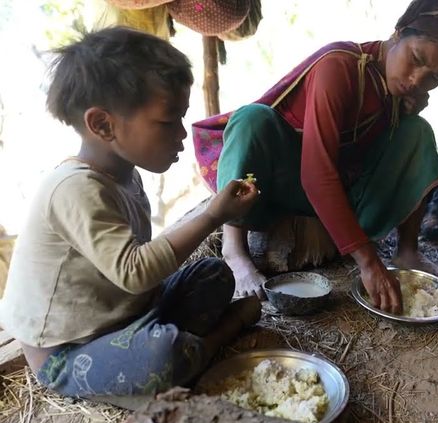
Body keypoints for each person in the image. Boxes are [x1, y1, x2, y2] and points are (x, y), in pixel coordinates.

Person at [0, 27, 261, 401]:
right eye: (168, 120)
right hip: (67, 352)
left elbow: (138, 277)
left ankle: (173, 343)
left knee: (215, 274)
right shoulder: (73, 189)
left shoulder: (125, 175)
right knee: (163, 356)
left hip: (126, 314)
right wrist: (213, 216)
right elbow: (134, 272)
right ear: (103, 125)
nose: (182, 135)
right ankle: (218, 337)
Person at [193, 0, 438, 315]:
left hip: (342, 191)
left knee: (417, 131)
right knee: (252, 119)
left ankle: (407, 251)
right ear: (398, 33)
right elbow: (316, 174)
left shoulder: (400, 91)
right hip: (279, 183)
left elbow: (370, 148)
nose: (416, 80)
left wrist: (399, 112)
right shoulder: (340, 65)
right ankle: (235, 248)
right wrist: (369, 263)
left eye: (433, 78)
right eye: (415, 59)